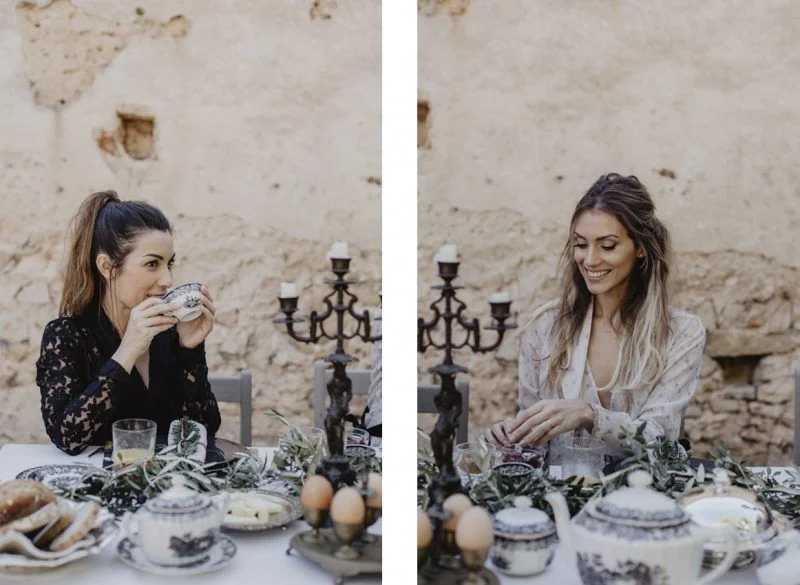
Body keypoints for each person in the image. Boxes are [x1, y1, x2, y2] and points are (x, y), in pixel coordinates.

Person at [489, 173, 705, 462]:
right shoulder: (545, 327)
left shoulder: (681, 332)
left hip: (642, 498)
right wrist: (512, 437)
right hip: (558, 497)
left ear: (640, 247)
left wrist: (588, 415)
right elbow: (533, 447)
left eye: (607, 246)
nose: (590, 260)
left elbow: (660, 442)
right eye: (580, 244)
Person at [36, 191, 221, 455]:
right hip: (96, 488)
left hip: (170, 487)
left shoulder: (168, 334)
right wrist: (127, 350)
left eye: (169, 263)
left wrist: (189, 350)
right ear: (107, 266)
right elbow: (68, 438)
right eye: (152, 264)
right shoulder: (66, 335)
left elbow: (205, 430)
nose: (167, 279)